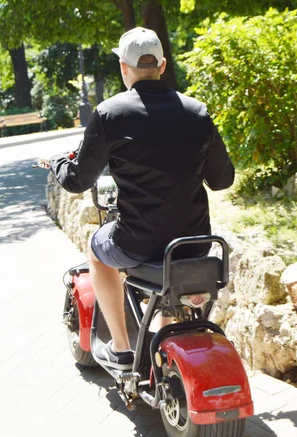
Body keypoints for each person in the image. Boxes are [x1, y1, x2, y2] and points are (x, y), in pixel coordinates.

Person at [48, 27, 234, 372]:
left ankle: (121, 348)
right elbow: (222, 180)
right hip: (194, 243)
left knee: (96, 250)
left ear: (123, 67)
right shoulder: (197, 111)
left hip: (138, 243)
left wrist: (58, 162)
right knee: (166, 262)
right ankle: (164, 344)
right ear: (162, 65)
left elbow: (77, 179)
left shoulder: (110, 114)